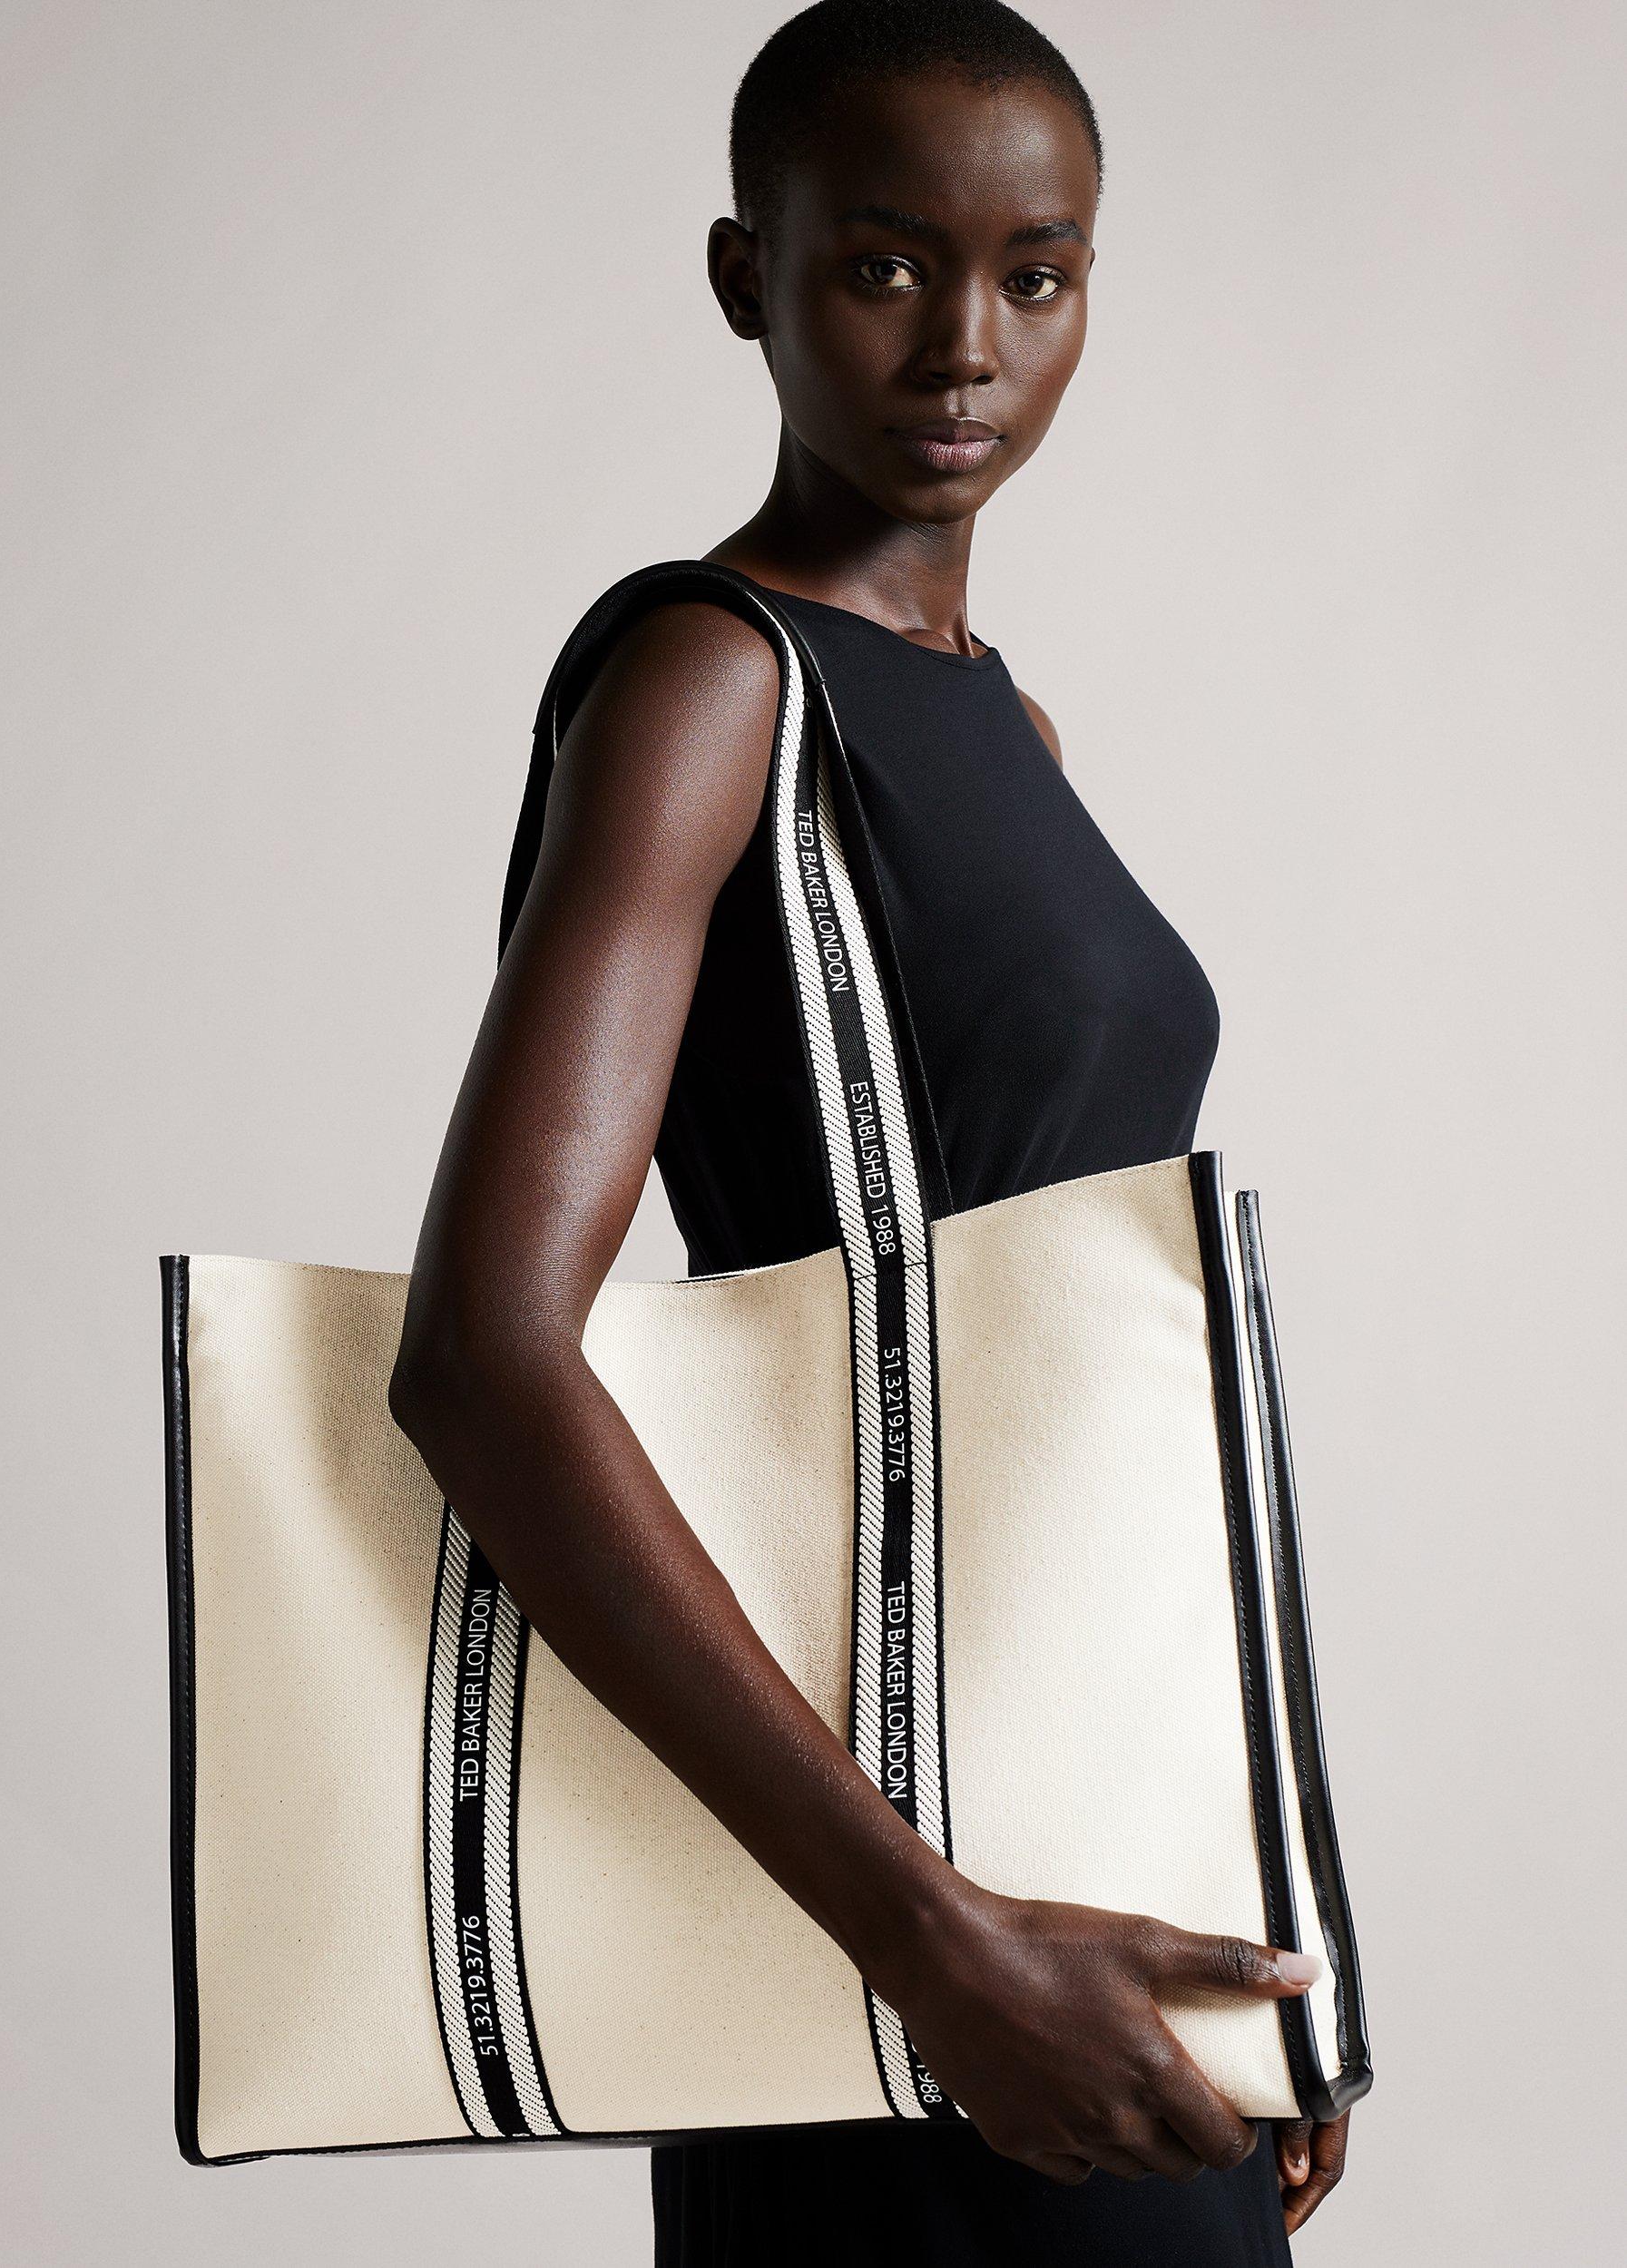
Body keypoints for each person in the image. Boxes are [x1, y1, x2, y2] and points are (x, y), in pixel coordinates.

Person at [388, 1, 1354, 2257]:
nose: (963, 344)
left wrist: (1278, 1915)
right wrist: (935, 1941)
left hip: (1104, 1860)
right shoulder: (712, 678)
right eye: (884, 263)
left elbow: (1106, 1414)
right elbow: (483, 1357)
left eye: (1035, 273)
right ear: (749, 276)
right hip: (903, 1890)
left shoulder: (999, 720)